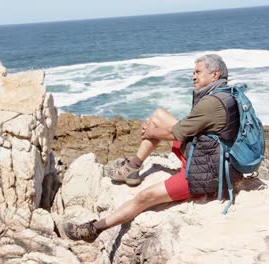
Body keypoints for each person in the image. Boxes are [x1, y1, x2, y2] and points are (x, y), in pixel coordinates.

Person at [63, 54, 240, 243]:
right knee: (158, 115)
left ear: (215, 74)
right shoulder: (225, 93)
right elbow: (190, 129)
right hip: (206, 153)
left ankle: (94, 229)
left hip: (205, 173)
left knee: (144, 197)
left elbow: (179, 133)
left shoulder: (212, 103)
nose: (193, 76)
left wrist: (152, 133)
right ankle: (132, 167)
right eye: (193, 72)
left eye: (197, 72)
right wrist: (155, 130)